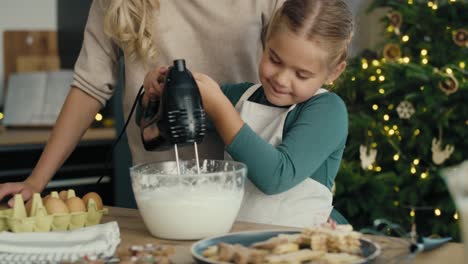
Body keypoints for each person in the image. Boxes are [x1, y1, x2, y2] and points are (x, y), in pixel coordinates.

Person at [0, 0, 285, 206]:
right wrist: (36, 182)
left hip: (245, 187)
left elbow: (296, 77)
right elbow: (89, 86)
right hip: (161, 191)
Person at [140, 0, 353, 227]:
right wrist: (155, 97)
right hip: (235, 246)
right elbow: (156, 137)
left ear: (334, 72)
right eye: (274, 59)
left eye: (302, 74)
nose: (281, 79)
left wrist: (221, 109)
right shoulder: (239, 97)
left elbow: (276, 177)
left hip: (298, 250)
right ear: (266, 41)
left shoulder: (328, 111)